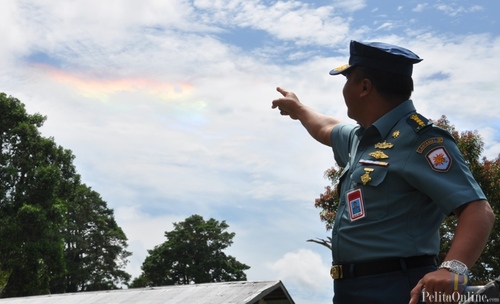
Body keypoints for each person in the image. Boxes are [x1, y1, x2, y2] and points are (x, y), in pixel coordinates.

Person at [272, 40, 495, 304]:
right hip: (349, 290)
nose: (343, 90)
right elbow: (325, 127)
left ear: (364, 87)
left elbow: (477, 209)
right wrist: (298, 109)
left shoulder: (421, 139)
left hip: (400, 287)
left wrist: (452, 269)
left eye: (347, 81)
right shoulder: (362, 138)